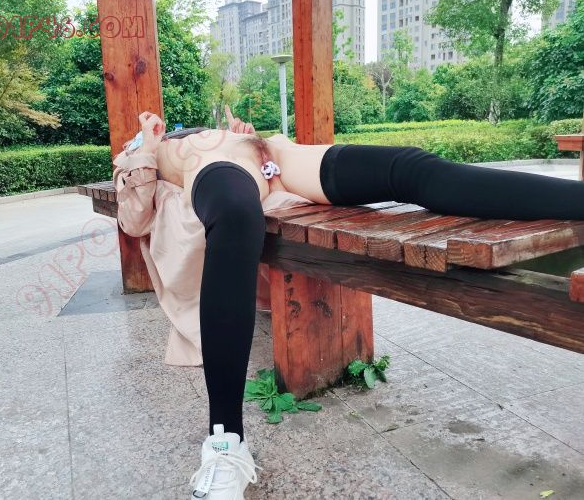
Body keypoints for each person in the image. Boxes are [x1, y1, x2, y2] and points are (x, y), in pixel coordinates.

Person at [113, 106, 584, 499]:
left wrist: (247, 135)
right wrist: (147, 146)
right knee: (236, 217)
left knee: (411, 167)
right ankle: (225, 442)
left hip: (279, 159)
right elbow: (133, 219)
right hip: (218, 175)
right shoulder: (150, 147)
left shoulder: (232, 133)